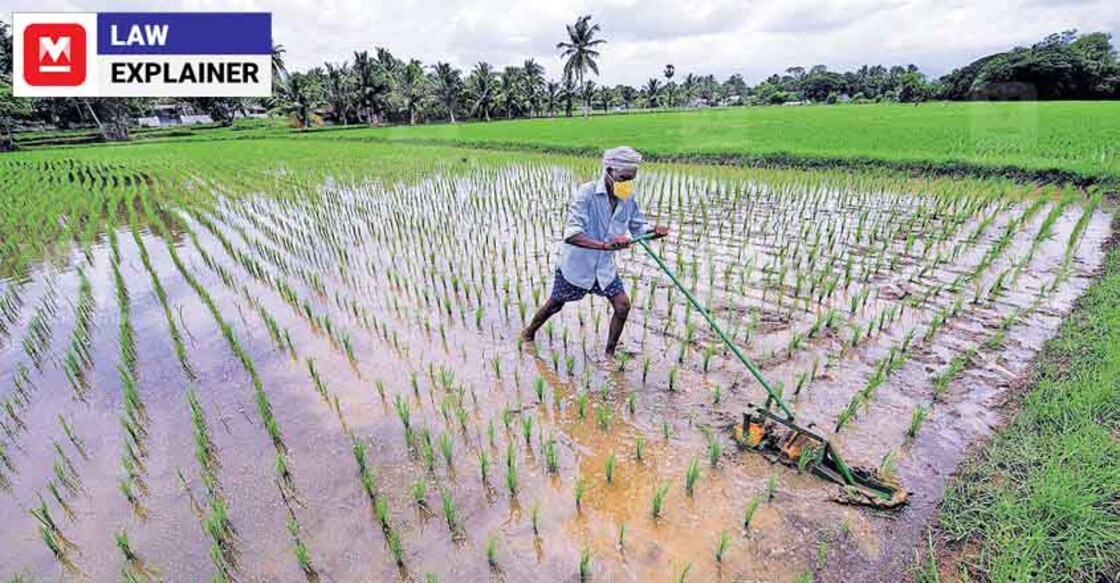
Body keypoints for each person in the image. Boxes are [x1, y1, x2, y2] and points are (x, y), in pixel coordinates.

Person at [521, 146, 669, 356]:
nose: (627, 183)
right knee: (555, 305)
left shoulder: (627, 197)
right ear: (609, 171)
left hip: (604, 267)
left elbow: (638, 226)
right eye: (624, 178)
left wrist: (653, 231)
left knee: (622, 306)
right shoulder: (587, 193)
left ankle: (609, 354)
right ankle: (528, 333)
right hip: (578, 265)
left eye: (631, 179)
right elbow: (572, 233)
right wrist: (605, 245)